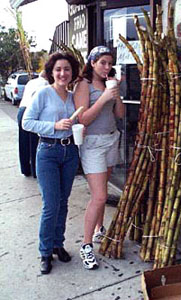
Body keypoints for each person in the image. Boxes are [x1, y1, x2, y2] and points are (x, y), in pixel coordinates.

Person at [22, 52, 80, 275]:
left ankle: (58, 244)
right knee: (50, 204)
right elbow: (27, 122)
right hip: (47, 151)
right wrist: (54, 126)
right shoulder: (43, 93)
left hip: (70, 152)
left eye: (66, 69)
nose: (63, 73)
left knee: (63, 202)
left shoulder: (74, 96)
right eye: (58, 69)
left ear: (72, 72)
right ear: (51, 72)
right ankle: (45, 252)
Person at [74, 46, 125, 270]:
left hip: (111, 139)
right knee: (100, 196)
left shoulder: (108, 83)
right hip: (93, 144)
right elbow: (82, 119)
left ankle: (99, 230)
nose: (107, 67)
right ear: (92, 63)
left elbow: (120, 114)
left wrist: (116, 93)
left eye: (109, 63)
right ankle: (85, 246)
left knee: (103, 189)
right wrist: (103, 97)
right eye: (102, 62)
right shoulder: (83, 85)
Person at [17, 70, 48, 178]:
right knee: (34, 142)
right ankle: (35, 171)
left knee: (23, 142)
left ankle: (25, 169)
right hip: (31, 112)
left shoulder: (31, 82)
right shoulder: (45, 84)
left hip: (21, 110)